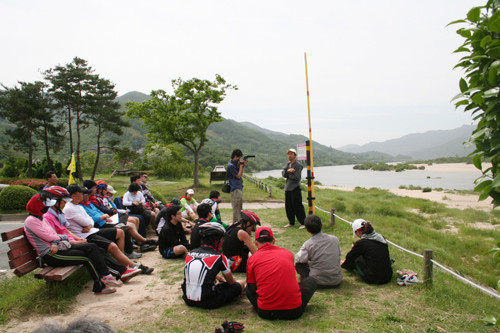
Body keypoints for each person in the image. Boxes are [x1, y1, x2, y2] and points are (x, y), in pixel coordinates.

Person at [40, 186, 143, 282]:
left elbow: (73, 227)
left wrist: (79, 238)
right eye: (63, 201)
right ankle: (116, 273)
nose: (64, 203)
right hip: (70, 244)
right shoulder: (52, 215)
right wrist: (76, 241)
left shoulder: (60, 213)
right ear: (55, 202)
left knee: (101, 248)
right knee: (96, 250)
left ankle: (122, 270)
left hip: (79, 238)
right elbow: (55, 236)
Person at [24, 193, 117, 295]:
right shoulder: (31, 221)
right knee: (86, 257)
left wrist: (56, 240)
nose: (48, 207)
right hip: (50, 254)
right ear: (38, 207)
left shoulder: (41, 218)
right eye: (46, 205)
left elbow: (52, 235)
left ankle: (105, 275)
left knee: (92, 247)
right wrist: (61, 238)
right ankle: (99, 285)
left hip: (58, 248)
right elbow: (49, 236)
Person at [63, 184, 150, 276]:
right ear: (73, 196)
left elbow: (90, 220)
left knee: (120, 232)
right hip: (85, 236)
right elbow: (86, 222)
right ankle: (130, 266)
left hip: (92, 231)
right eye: (80, 193)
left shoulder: (79, 207)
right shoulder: (69, 208)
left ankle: (124, 261)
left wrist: (89, 225)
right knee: (112, 246)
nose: (83, 194)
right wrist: (88, 224)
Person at [246, 226, 317, 320]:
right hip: (294, 312)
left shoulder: (252, 259)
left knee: (248, 288)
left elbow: (252, 289)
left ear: (256, 243)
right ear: (274, 240)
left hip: (266, 312)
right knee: (311, 280)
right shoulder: (287, 253)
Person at [182, 222, 245, 309]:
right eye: (222, 239)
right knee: (240, 283)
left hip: (187, 299)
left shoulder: (190, 254)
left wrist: (214, 276)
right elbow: (231, 282)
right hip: (208, 301)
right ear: (216, 241)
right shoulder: (220, 257)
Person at [295, 214, 342, 288]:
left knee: (299, 265)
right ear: (322, 225)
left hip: (316, 282)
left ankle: (306, 278)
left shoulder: (308, 244)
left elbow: (298, 259)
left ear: (307, 230)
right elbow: (338, 254)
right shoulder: (335, 239)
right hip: (336, 280)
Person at [341, 219, 393, 284]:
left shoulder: (361, 243)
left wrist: (354, 249)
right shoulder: (381, 238)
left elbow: (349, 257)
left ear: (358, 232)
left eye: (356, 233)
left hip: (372, 278)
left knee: (356, 257)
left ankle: (348, 267)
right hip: (387, 276)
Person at [282, 148, 306, 229]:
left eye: (291, 154)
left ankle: (303, 222)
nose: (290, 155)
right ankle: (291, 222)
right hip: (288, 188)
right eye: (289, 154)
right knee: (288, 206)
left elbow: (297, 177)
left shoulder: (298, 165)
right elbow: (283, 174)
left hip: (295, 188)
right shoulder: (287, 164)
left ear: (295, 155)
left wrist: (289, 173)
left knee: (297, 206)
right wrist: (289, 171)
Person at [227, 149, 247, 222]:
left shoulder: (234, 164)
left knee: (239, 208)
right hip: (235, 189)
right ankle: (236, 225)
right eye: (239, 157)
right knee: (236, 209)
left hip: (238, 188)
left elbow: (240, 173)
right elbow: (238, 176)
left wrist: (242, 165)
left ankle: (238, 224)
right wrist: (241, 165)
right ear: (236, 156)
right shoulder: (231, 166)